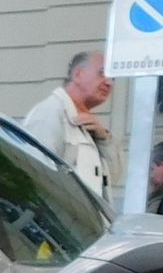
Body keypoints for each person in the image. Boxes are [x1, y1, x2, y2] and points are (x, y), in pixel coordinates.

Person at [20, 52, 113, 203]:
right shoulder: (49, 113)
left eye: (113, 77)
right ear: (77, 75)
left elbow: (112, 177)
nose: (109, 83)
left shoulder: (92, 126)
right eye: (102, 73)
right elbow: (36, 179)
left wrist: (104, 138)